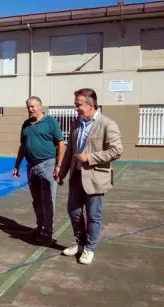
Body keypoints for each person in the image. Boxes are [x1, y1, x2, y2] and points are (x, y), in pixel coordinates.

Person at [57, 88, 123, 265]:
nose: (76, 108)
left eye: (78, 105)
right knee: (74, 212)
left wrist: (90, 158)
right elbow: (70, 150)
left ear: (90, 105)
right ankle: (80, 243)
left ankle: (89, 248)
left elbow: (116, 151)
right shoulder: (76, 123)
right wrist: (62, 171)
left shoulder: (108, 124)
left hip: (95, 177)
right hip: (76, 176)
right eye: (75, 104)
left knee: (93, 215)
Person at [12, 96, 66, 246]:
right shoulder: (26, 125)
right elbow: (23, 146)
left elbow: (61, 145)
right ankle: (40, 227)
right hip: (31, 167)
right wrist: (17, 165)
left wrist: (58, 166)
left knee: (48, 200)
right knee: (37, 200)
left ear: (41, 106)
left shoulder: (50, 122)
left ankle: (47, 232)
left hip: (48, 165)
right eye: (28, 107)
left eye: (33, 106)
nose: (31, 109)